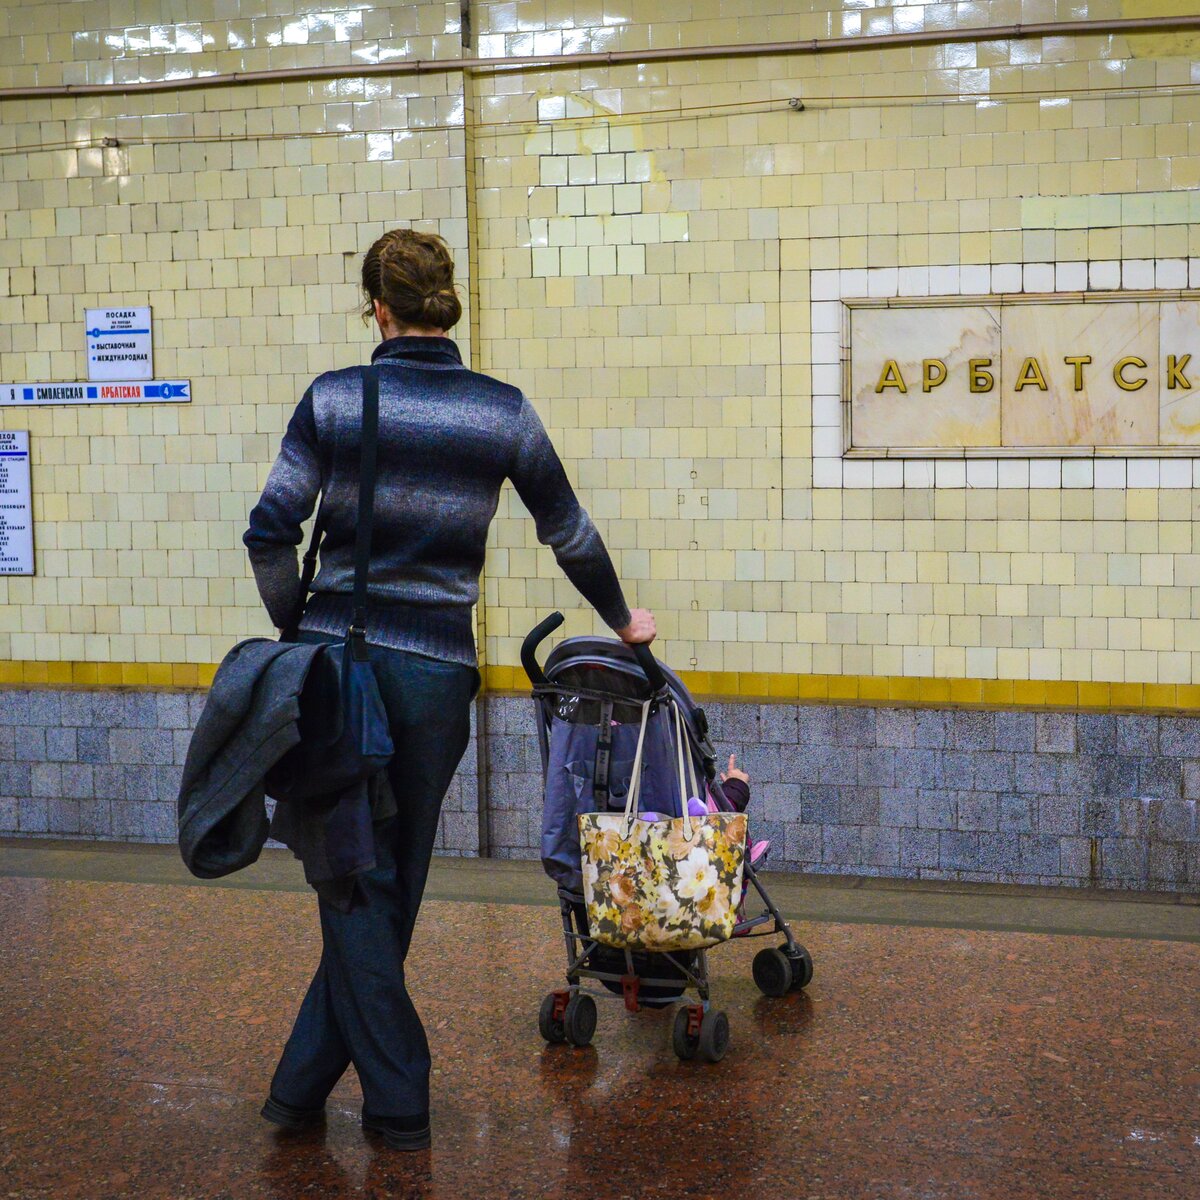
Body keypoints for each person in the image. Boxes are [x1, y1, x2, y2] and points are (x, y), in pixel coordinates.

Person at [243, 227, 656, 1150]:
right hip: (437, 679)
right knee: (390, 885)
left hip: (338, 671)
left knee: (351, 881)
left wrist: (295, 629)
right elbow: (570, 532)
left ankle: (398, 1094)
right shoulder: (500, 412)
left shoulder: (336, 398)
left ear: (377, 309)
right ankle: (297, 1089)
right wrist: (625, 619)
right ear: (444, 303)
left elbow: (270, 530)